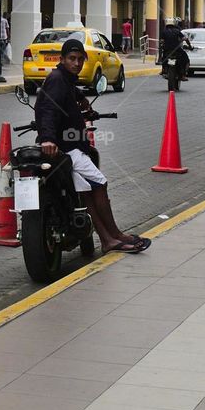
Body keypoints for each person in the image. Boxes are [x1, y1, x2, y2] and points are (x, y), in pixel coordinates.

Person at [34, 37, 151, 255]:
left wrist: (82, 101)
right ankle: (114, 234)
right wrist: (48, 138)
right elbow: (48, 109)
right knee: (99, 183)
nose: (76, 63)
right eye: (72, 59)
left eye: (80, 59)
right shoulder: (58, 79)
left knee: (86, 192)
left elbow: (68, 93)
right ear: (62, 59)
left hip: (68, 145)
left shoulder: (64, 79)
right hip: (67, 147)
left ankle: (107, 239)